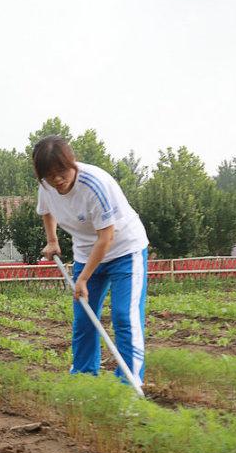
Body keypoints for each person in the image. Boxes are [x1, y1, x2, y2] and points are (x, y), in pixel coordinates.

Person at [32, 135, 149, 384]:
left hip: (125, 251)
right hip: (87, 253)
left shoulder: (95, 184)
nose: (57, 180)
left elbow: (106, 238)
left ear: (72, 163)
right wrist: (53, 241)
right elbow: (47, 211)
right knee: (85, 319)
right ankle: (84, 378)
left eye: (61, 171)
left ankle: (129, 385)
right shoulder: (46, 186)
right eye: (49, 175)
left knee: (123, 316)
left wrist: (83, 278)